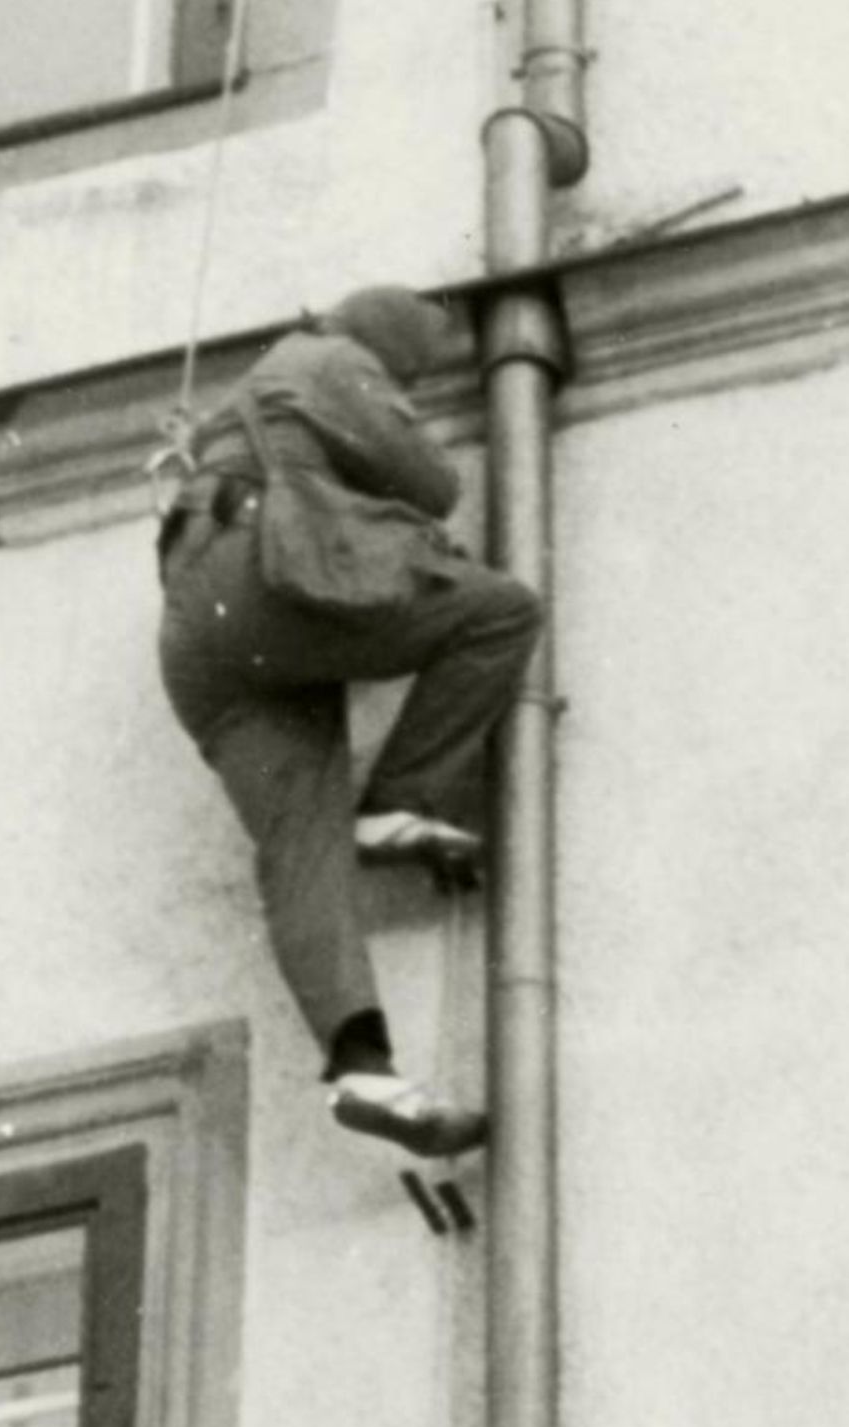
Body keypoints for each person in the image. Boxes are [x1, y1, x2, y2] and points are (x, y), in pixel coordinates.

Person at [156, 285, 543, 1157]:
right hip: (268, 580)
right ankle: (398, 798)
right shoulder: (333, 360)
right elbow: (431, 483)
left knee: (299, 848)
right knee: (500, 613)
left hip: (199, 639)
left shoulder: (240, 401)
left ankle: (361, 1061)